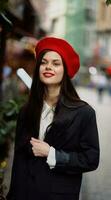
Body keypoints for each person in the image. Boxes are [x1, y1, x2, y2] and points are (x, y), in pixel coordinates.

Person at [6, 37, 100, 200]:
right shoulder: (27, 110)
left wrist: (52, 154)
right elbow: (19, 160)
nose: (48, 67)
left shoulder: (84, 113)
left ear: (65, 70)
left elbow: (90, 159)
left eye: (56, 63)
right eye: (44, 62)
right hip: (25, 193)